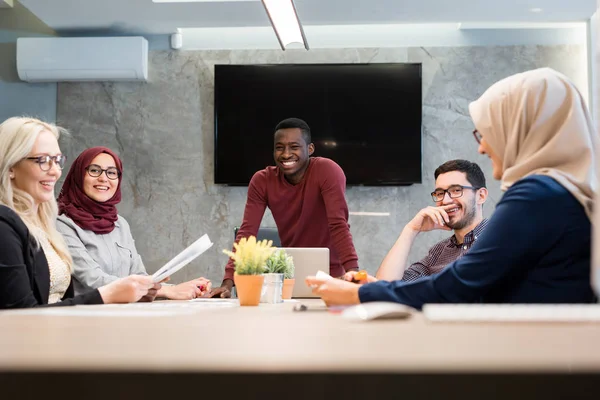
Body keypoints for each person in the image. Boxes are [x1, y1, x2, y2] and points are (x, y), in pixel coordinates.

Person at [306, 67, 597, 308]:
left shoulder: (537, 195)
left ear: (521, 127)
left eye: (487, 132)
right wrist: (377, 288)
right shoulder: (563, 192)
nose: (482, 147)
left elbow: (457, 286)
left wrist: (356, 294)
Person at [0, 117, 158, 309]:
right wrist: (107, 294)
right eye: (42, 160)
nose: (55, 171)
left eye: (57, 160)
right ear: (10, 167)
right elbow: (19, 314)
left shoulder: (41, 224)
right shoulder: (5, 225)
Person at [211, 117, 359, 298]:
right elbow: (247, 233)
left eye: (294, 147)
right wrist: (227, 283)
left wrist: (354, 273)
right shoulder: (262, 180)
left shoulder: (327, 171)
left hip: (334, 276)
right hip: (291, 280)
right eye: (279, 147)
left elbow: (338, 224)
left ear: (310, 149)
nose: (286, 154)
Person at [56, 147, 211, 300]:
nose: (104, 178)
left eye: (111, 172)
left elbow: (138, 275)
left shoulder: (120, 224)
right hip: (86, 317)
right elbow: (94, 279)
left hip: (127, 312)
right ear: (78, 176)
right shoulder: (63, 224)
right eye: (95, 170)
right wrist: (167, 291)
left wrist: (182, 288)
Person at [376, 160, 489, 282]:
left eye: (456, 190)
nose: (445, 200)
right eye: (440, 193)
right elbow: (385, 287)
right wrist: (411, 230)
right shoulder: (438, 252)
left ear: (480, 196)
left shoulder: (501, 240)